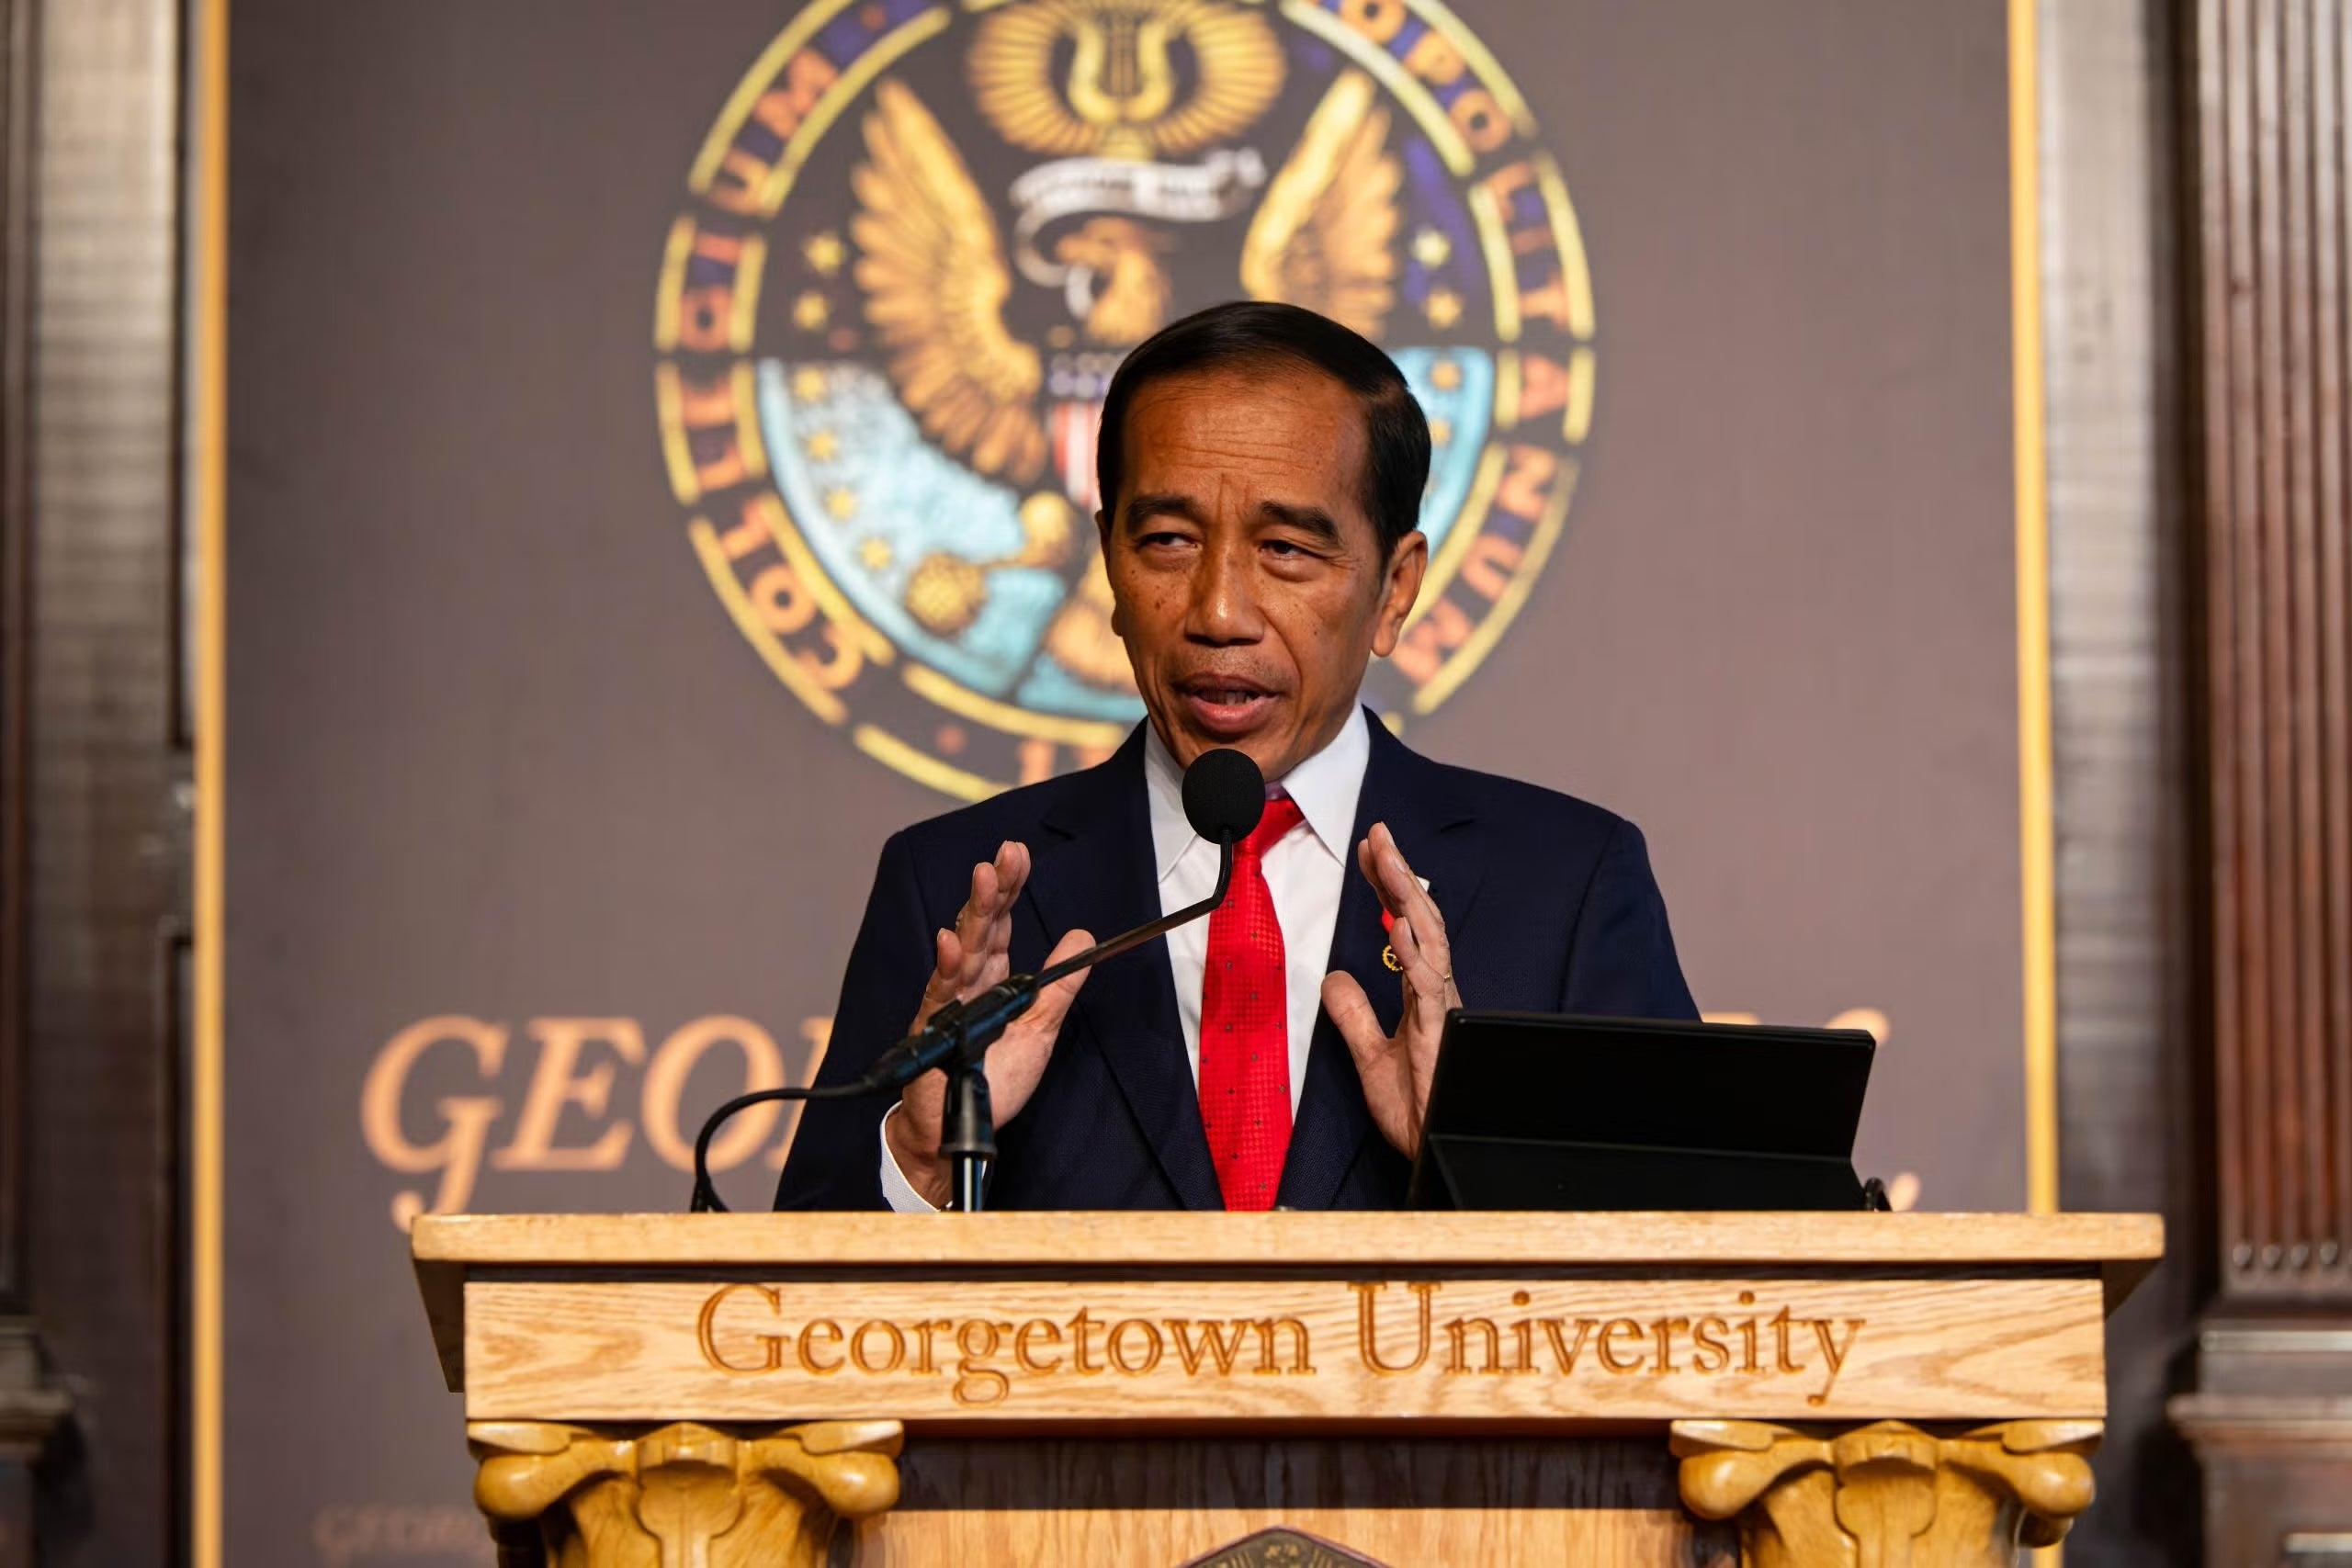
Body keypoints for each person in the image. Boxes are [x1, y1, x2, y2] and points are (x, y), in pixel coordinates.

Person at [775, 301, 1696, 1212]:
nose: (1217, 612)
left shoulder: (1565, 887)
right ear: (1108, 560)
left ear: (1394, 589)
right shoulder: (948, 886)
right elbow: (791, 1321)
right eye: (1167, 541)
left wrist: (1477, 1176)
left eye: (1286, 549)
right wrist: (925, 1165)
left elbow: (1692, 1304)